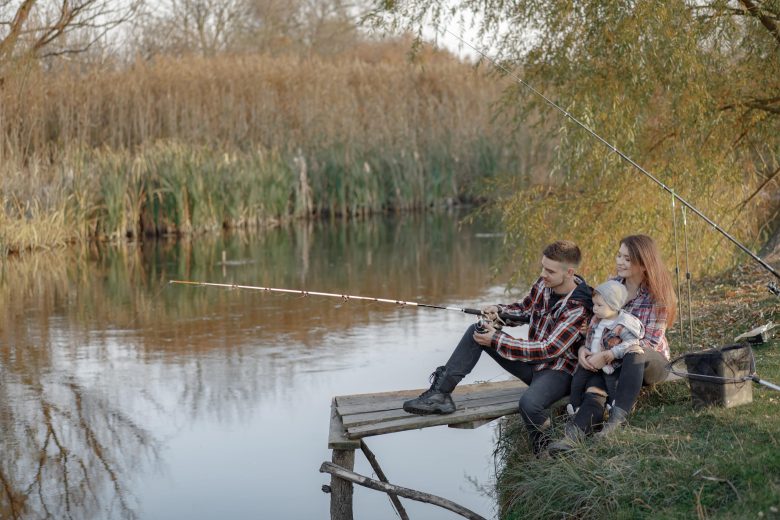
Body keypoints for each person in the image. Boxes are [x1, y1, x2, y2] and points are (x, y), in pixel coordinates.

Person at [402, 240, 593, 454]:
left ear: (569, 272)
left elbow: (549, 349)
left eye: (549, 270)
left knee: (529, 405)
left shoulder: (579, 306)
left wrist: (496, 340)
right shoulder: (545, 285)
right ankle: (440, 395)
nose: (542, 274)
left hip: (559, 372)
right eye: (542, 267)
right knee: (479, 330)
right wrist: (499, 312)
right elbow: (524, 310)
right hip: (532, 363)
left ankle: (545, 451)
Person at [548, 234, 677, 454]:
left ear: (644, 264)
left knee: (634, 352)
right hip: (613, 362)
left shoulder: (658, 296)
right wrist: (584, 349)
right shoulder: (613, 285)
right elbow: (594, 323)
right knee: (594, 389)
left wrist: (608, 355)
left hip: (649, 363)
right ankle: (573, 437)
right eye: (619, 255)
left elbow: (650, 342)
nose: (620, 262)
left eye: (627, 259)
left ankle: (616, 423)